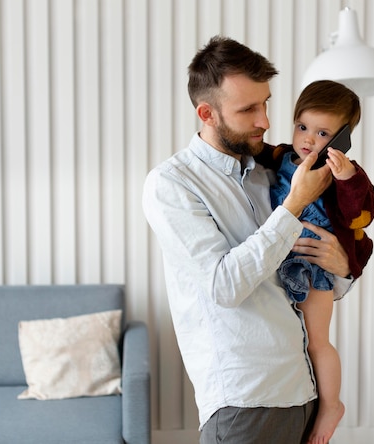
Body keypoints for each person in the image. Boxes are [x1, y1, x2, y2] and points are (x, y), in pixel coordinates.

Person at [142, 35, 356, 443]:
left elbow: (301, 272)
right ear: (207, 113)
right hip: (245, 400)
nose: (266, 121)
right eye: (248, 109)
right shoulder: (171, 184)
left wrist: (342, 266)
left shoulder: (269, 173)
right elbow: (224, 286)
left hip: (302, 389)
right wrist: (292, 208)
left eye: (266, 103)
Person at [261, 80, 374, 444]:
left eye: (323, 133)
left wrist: (347, 178)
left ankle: (331, 404)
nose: (309, 140)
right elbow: (252, 153)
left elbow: (360, 214)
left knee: (317, 341)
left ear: (343, 137)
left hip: (315, 269)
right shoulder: (282, 156)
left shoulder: (343, 173)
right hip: (280, 259)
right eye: (302, 127)